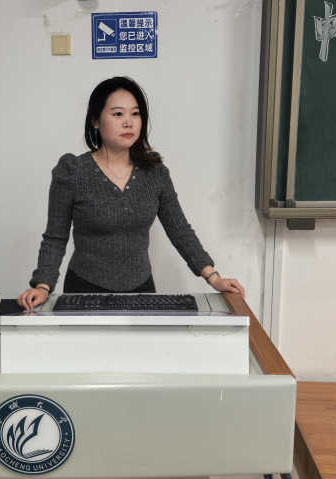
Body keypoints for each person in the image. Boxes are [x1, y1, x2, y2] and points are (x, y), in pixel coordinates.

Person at [17, 76, 244, 310]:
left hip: (142, 289)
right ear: (95, 120)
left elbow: (179, 229)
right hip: (84, 290)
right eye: (118, 114)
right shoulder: (72, 171)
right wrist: (42, 285)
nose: (129, 122)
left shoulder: (155, 172)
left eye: (135, 114)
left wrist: (213, 278)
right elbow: (55, 236)